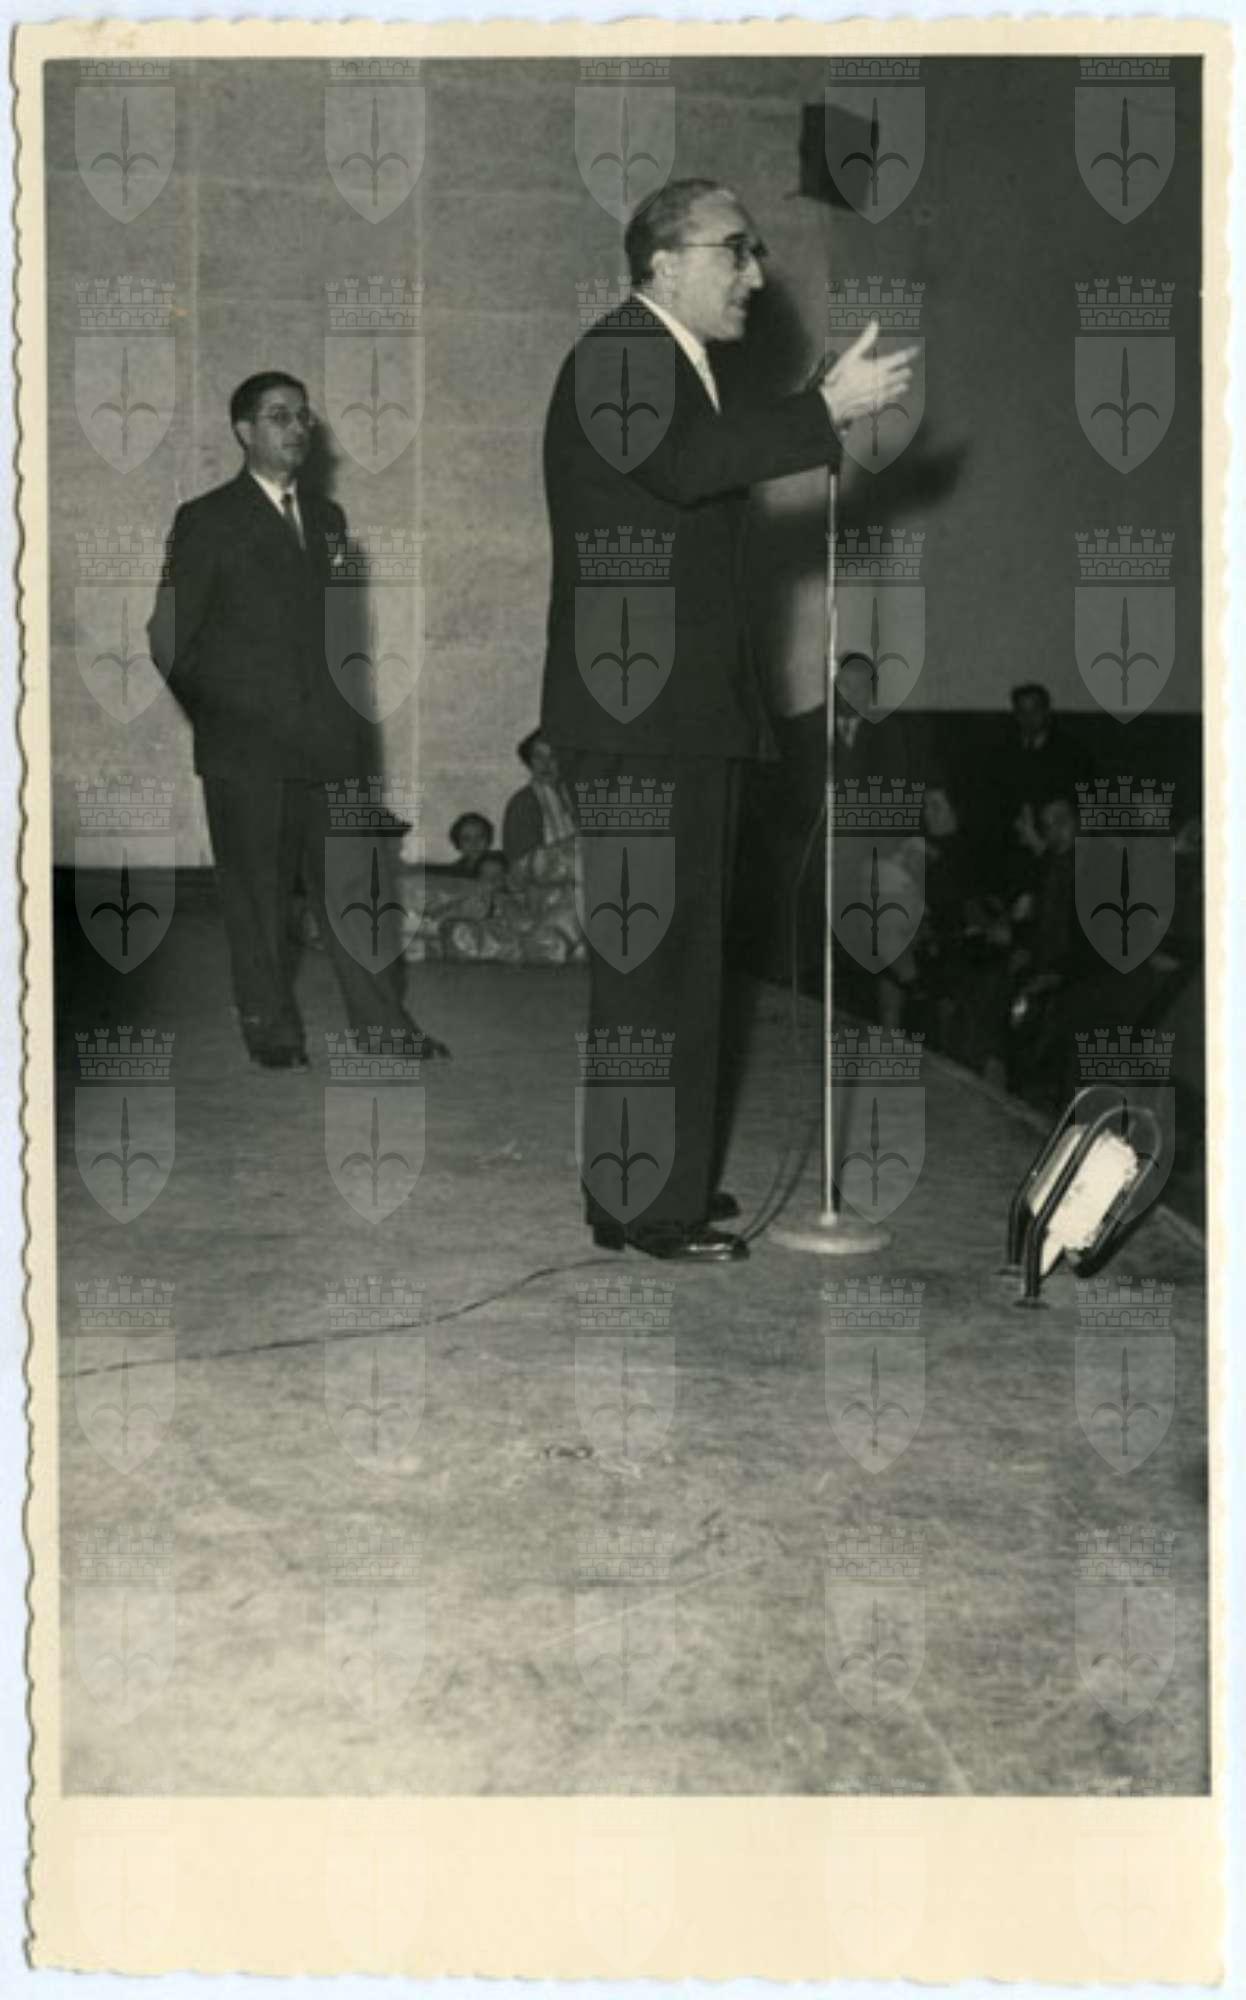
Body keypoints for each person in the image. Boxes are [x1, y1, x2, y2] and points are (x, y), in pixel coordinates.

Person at [540, 177, 917, 1262]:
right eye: (735, 250)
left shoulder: (671, 362)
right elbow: (688, 465)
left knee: (673, 961)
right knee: (657, 964)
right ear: (663, 262)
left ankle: (642, 1190)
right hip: (644, 717)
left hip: (671, 714)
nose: (756, 273)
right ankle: (648, 1203)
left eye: (757, 252)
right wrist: (820, 412)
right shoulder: (622, 353)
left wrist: (807, 416)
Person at [148, 371, 448, 1067]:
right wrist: (229, 723)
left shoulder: (330, 520)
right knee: (257, 900)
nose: (298, 428)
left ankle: (383, 1026)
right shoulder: (207, 519)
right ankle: (272, 1031)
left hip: (331, 751)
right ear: (243, 431)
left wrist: (356, 744)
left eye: (304, 416)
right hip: (247, 756)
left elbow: (343, 649)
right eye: (279, 416)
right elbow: (166, 640)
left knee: (356, 893)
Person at [501, 731, 578, 868]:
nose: (545, 764)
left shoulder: (576, 795)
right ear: (529, 761)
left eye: (553, 756)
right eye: (538, 757)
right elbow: (521, 863)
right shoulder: (523, 803)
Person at [446, 811, 495, 877]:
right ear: (458, 843)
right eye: (467, 839)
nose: (474, 843)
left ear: (489, 839)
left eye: (480, 837)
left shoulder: (500, 866)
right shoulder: (454, 872)